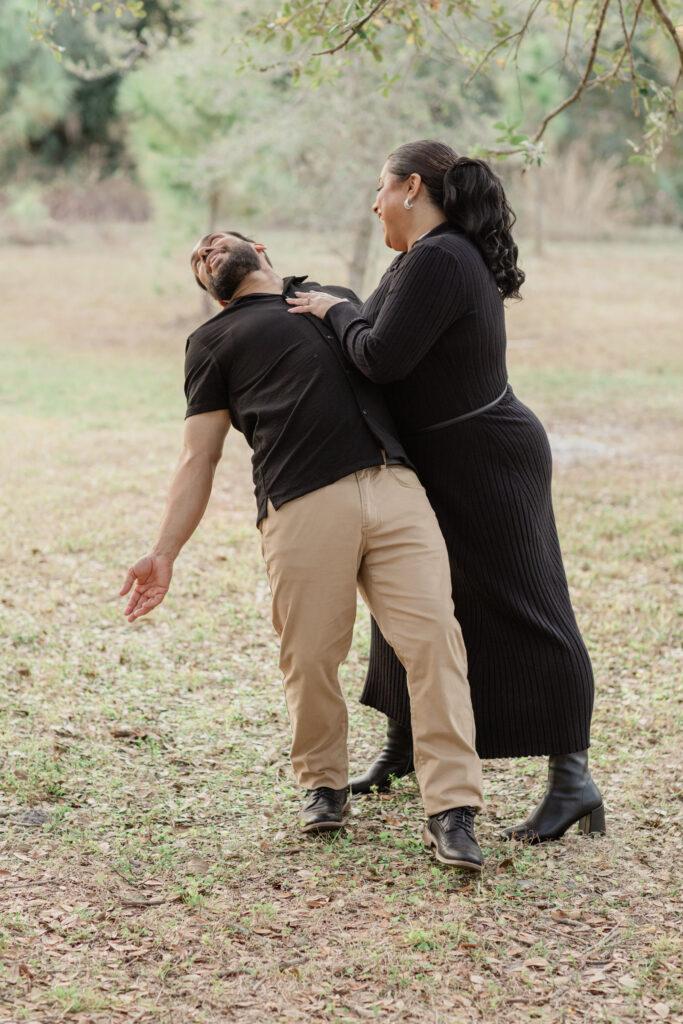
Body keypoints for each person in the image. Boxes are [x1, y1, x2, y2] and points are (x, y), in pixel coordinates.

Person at [120, 229, 486, 870]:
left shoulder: (336, 298)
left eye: (216, 241)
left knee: (435, 641)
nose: (206, 250)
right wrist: (165, 551)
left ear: (259, 248)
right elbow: (197, 455)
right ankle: (323, 784)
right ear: (208, 287)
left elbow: (398, 363)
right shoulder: (213, 341)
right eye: (197, 258)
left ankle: (452, 810)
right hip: (301, 503)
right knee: (312, 654)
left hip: (396, 488)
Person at [286, 140, 605, 844]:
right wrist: (335, 303)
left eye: (378, 187)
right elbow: (368, 326)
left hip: (487, 459)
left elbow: (378, 353)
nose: (372, 204)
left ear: (409, 188)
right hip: (436, 458)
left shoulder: (441, 256)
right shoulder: (414, 260)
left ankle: (573, 779)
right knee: (417, 603)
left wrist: (334, 314)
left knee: (528, 601)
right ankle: (403, 748)